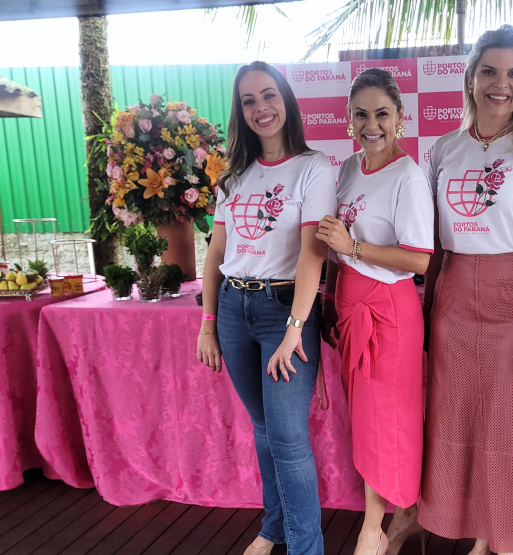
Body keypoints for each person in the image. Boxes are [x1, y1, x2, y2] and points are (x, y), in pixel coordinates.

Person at [418, 24, 513, 555]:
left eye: (512, 73)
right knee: (457, 425)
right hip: (454, 300)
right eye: (489, 71)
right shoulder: (443, 150)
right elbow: (432, 246)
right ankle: (481, 532)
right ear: (470, 78)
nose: (499, 84)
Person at [196, 61, 336, 555]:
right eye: (249, 101)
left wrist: (296, 329)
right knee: (262, 428)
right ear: (240, 110)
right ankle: (273, 526)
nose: (261, 108)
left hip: (284, 311)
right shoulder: (232, 175)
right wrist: (208, 323)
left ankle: (305, 547)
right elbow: (216, 252)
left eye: (269, 95)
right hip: (234, 309)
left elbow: (312, 254)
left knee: (288, 437)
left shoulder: (314, 167)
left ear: (287, 101)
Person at [317, 68, 434, 555]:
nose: (372, 124)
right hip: (348, 305)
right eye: (361, 114)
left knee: (390, 419)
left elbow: (419, 259)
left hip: (389, 311)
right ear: (348, 120)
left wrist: (356, 247)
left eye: (382, 114)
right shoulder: (345, 169)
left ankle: (374, 525)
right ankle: (400, 514)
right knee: (364, 417)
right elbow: (329, 246)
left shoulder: (408, 175)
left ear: (399, 119)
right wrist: (327, 297)